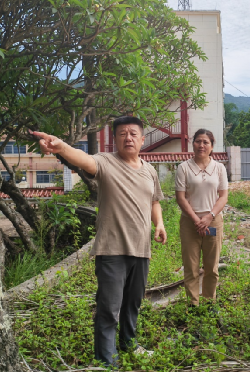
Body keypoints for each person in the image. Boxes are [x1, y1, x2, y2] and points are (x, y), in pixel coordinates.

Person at [33, 116, 166, 367]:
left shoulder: (150, 171)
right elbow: (83, 159)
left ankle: (129, 344)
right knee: (109, 308)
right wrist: (61, 147)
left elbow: (154, 201)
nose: (128, 138)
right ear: (115, 139)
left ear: (142, 139)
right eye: (122, 134)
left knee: (133, 304)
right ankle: (106, 361)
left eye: (133, 134)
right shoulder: (106, 162)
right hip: (112, 249)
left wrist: (159, 223)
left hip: (142, 249)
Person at [175, 129, 228, 307]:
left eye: (206, 142)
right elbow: (181, 198)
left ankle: (209, 302)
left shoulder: (219, 168)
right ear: (193, 144)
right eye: (198, 141)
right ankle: (193, 304)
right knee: (191, 266)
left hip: (213, 222)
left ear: (212, 146)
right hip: (190, 223)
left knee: (212, 266)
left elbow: (223, 197)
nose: (201, 145)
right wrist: (197, 220)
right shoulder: (184, 168)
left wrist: (209, 217)